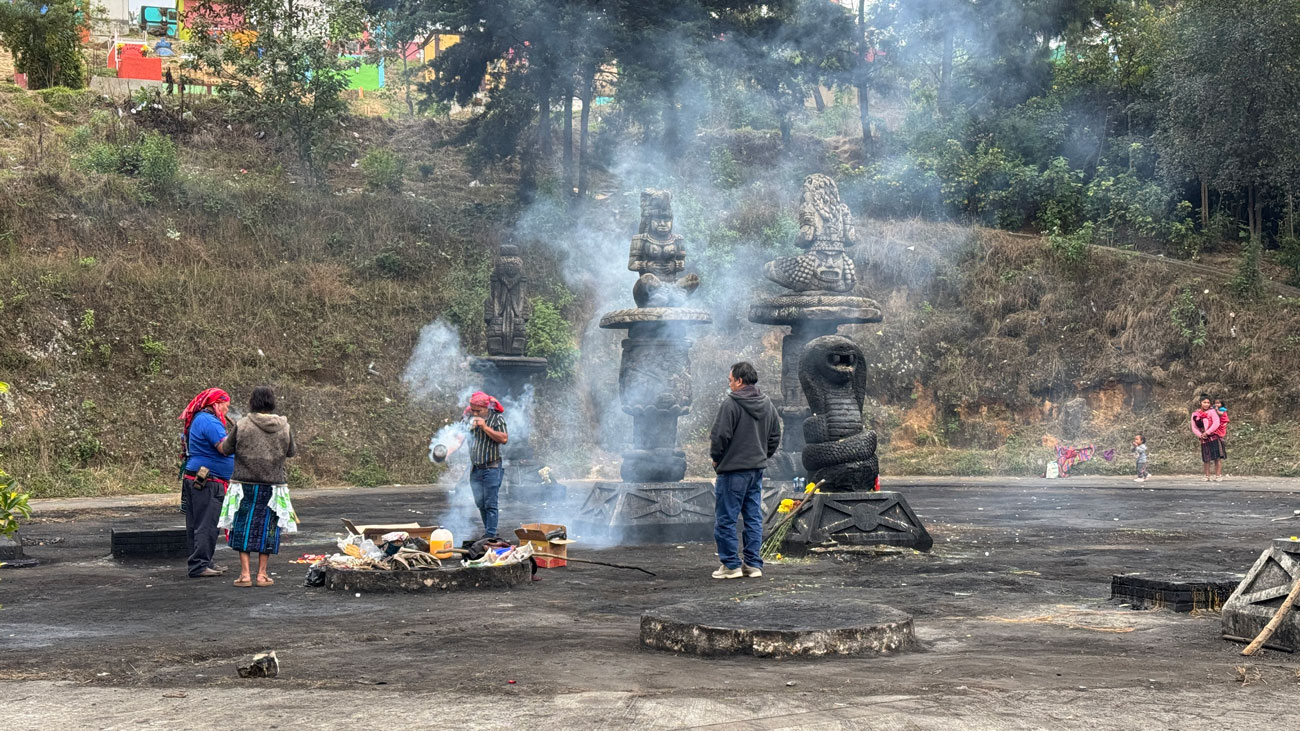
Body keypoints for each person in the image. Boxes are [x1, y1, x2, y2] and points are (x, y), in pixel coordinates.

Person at [217, 386, 298, 588]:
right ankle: (262, 575)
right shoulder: (284, 427)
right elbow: (291, 452)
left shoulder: (242, 425)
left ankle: (245, 575)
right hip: (273, 486)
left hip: (244, 485)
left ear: (252, 402)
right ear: (272, 403)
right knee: (268, 528)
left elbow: (226, 449)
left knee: (242, 527)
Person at [707, 362, 782, 580]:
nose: (729, 384)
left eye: (730, 380)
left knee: (726, 518)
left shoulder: (731, 403)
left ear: (739, 381)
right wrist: (761, 456)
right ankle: (753, 564)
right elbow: (775, 436)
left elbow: (719, 436)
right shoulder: (767, 404)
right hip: (756, 470)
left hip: (732, 471)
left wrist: (716, 459)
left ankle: (731, 565)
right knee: (753, 517)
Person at [179, 388, 233, 578]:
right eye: (226, 405)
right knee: (207, 524)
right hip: (208, 481)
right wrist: (240, 436)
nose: (227, 409)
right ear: (216, 403)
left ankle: (203, 561)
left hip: (198, 477)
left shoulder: (201, 419)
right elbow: (224, 448)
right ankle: (199, 565)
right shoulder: (209, 421)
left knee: (197, 523)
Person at [444, 391, 509, 539]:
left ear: (486, 408)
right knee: (480, 502)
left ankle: (491, 534)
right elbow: (459, 438)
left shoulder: (496, 418)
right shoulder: (468, 418)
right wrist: (448, 451)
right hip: (476, 467)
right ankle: (489, 531)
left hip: (492, 467)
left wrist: (485, 427)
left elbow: (504, 438)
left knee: (490, 503)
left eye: (478, 411)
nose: (475, 413)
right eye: (473, 410)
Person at [1190, 395, 1223, 482]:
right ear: (1200, 403)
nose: (1206, 404)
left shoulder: (1212, 412)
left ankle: (1218, 475)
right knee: (1206, 458)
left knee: (1217, 457)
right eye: (1204, 402)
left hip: (1214, 437)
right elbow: (1194, 427)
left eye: (1208, 403)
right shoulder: (1195, 414)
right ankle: (1207, 476)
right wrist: (1200, 435)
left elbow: (1216, 423)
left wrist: (1207, 432)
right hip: (1203, 439)